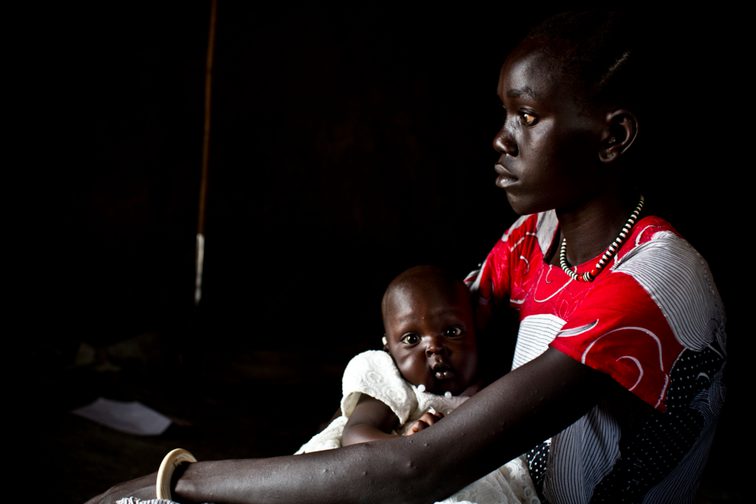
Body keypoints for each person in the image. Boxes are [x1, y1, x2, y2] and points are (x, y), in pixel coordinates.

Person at [87, 9, 726, 504]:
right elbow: (416, 354)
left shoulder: (650, 282)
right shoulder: (539, 236)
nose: (501, 138)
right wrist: (381, 412)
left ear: (612, 137)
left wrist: (181, 479)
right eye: (505, 112)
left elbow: (419, 470)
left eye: (527, 117)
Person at [295, 265, 538, 503]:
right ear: (388, 348)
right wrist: (414, 446)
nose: (434, 347)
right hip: (393, 475)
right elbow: (356, 434)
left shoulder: (496, 387)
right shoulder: (394, 383)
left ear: (475, 331)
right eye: (412, 339)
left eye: (452, 331)